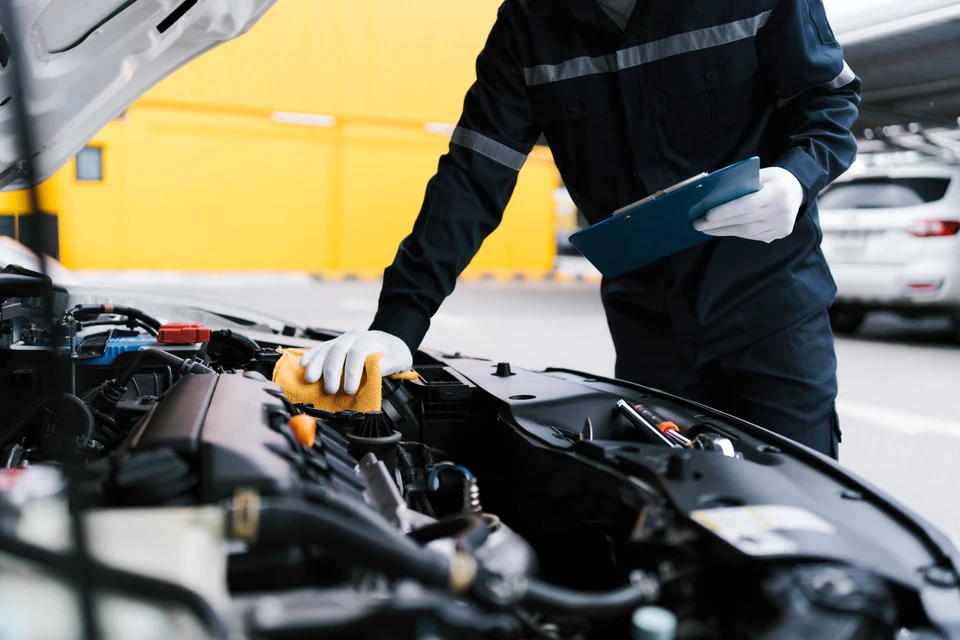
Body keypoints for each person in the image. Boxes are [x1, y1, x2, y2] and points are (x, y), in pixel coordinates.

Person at [300, 0, 861, 459]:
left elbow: (830, 99)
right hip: (650, 326)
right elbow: (472, 178)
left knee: (800, 507)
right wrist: (398, 325)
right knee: (666, 511)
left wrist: (795, 177)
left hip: (771, 307)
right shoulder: (528, 27)